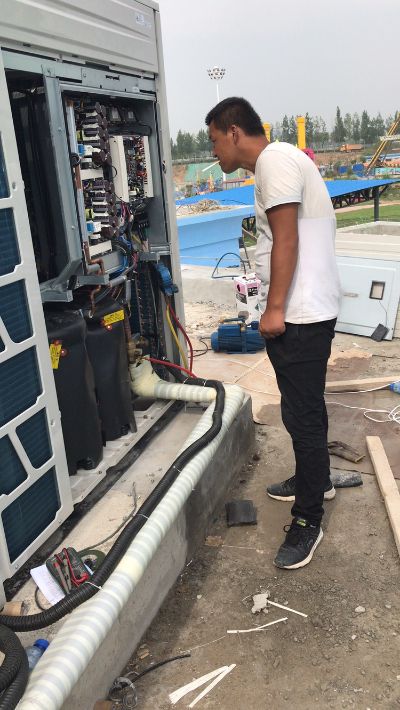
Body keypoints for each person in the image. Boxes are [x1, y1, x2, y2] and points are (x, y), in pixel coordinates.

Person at [205, 97, 341, 570]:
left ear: (234, 132)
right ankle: (316, 480)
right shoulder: (280, 161)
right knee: (305, 410)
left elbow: (287, 238)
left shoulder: (274, 161)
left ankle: (309, 519)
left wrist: (275, 309)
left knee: (302, 417)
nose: (214, 152)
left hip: (299, 314)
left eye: (215, 141)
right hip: (305, 310)